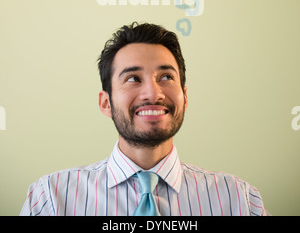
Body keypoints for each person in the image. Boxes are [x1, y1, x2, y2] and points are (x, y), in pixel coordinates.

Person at [20, 22, 269, 216]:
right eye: (133, 79)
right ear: (106, 103)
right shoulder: (51, 199)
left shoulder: (239, 200)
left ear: (184, 96)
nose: (153, 93)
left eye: (166, 77)